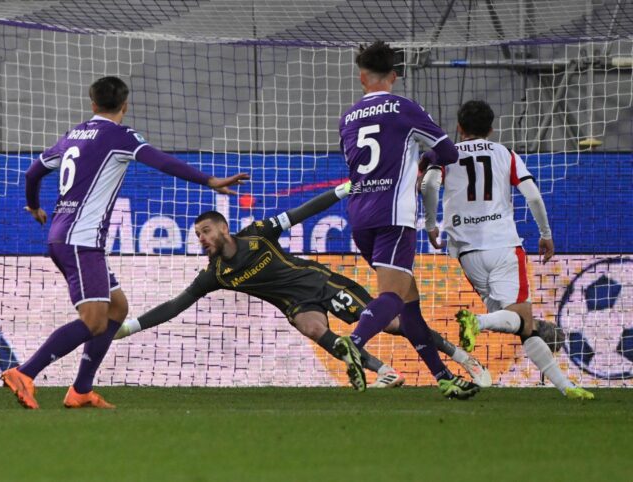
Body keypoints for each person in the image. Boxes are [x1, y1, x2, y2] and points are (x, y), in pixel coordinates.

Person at [1, 76, 249, 409]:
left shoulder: (73, 135)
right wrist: (210, 180)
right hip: (80, 240)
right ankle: (25, 372)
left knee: (117, 308)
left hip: (65, 235)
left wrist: (34, 206)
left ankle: (81, 390)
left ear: (92, 104)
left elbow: (33, 173)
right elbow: (160, 160)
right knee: (94, 320)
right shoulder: (120, 136)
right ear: (125, 105)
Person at [115, 184, 493, 389]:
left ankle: (461, 357)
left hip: (321, 283)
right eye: (198, 235)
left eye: (206, 230)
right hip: (296, 304)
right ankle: (384, 371)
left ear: (224, 228)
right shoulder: (215, 274)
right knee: (311, 327)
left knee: (394, 324)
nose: (202, 238)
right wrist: (129, 327)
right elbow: (176, 305)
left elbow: (301, 213)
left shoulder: (258, 233)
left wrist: (343, 191)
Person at [334, 41, 480, 398]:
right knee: (393, 296)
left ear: (361, 77)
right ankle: (354, 342)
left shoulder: (348, 118)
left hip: (359, 215)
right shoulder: (403, 108)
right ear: (395, 75)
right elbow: (448, 152)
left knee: (408, 301)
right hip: (394, 215)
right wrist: (425, 160)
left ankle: (443, 377)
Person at [420, 100, 594, 400]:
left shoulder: (445, 153)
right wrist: (545, 234)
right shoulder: (505, 154)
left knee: (518, 324)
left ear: (459, 128)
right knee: (522, 320)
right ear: (491, 129)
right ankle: (477, 322)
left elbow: (428, 186)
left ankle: (567, 388)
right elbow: (533, 196)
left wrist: (431, 224)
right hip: (503, 246)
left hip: (467, 251)